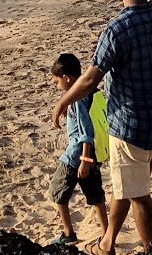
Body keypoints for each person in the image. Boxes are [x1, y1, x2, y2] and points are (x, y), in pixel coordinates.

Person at [52, 0, 152, 255]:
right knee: (127, 184)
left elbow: (90, 79)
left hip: (128, 125)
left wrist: (64, 100)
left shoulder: (116, 30)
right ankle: (107, 242)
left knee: (139, 195)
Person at [48, 53, 108, 247]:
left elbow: (86, 132)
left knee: (57, 190)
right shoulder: (93, 91)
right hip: (95, 154)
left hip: (77, 156)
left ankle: (68, 233)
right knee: (95, 194)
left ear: (66, 78)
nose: (58, 86)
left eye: (57, 81)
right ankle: (106, 233)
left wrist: (83, 160)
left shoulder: (77, 99)